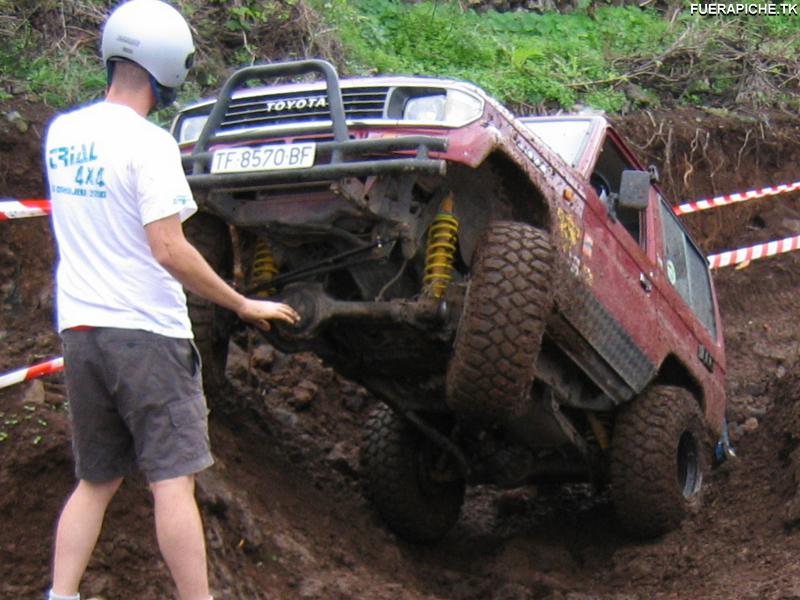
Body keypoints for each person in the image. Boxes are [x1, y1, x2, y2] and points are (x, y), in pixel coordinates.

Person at [43, 1, 300, 599]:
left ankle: (60, 595)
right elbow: (168, 248)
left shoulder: (63, 133)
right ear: (169, 68)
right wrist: (241, 303)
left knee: (96, 480)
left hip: (81, 330)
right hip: (147, 336)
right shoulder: (150, 144)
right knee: (172, 483)